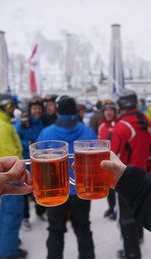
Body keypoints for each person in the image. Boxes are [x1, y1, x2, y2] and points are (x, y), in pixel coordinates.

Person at [38, 95, 96, 259]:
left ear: (57, 111)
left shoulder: (46, 133)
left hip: (56, 190)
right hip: (81, 190)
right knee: (83, 228)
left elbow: (40, 166)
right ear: (76, 111)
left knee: (55, 230)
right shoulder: (88, 132)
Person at [111, 89, 151, 259]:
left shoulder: (121, 127)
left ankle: (131, 252)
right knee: (138, 209)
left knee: (124, 217)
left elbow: (113, 155)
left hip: (125, 178)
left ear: (121, 105)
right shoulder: (147, 121)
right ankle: (138, 237)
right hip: (145, 176)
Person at [0, 94, 28, 259]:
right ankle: (8, 252)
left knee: (5, 212)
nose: (15, 110)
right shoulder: (2, 126)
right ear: (5, 106)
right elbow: (9, 154)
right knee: (13, 212)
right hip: (11, 176)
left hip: (7, 175)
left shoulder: (4, 123)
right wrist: (17, 174)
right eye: (12, 106)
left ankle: (6, 243)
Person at [15, 97, 45, 228]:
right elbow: (15, 137)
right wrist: (28, 144)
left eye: (39, 108)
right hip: (26, 160)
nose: (37, 111)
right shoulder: (23, 122)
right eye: (34, 108)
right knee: (24, 190)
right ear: (30, 109)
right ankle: (25, 217)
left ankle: (40, 211)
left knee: (39, 188)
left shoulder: (43, 121)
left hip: (40, 162)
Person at [98, 100, 118, 220]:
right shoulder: (102, 126)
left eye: (111, 110)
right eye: (106, 110)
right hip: (105, 162)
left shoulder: (119, 125)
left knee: (117, 189)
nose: (108, 112)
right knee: (108, 188)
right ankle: (111, 208)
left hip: (117, 162)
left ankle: (117, 209)